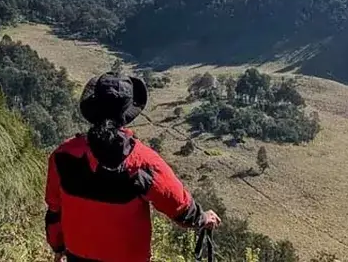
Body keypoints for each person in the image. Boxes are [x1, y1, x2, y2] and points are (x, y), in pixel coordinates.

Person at [45, 72, 221, 262]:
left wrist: (58, 247)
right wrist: (203, 218)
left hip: (77, 256)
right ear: (125, 113)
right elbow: (179, 207)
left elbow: (54, 210)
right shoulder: (144, 163)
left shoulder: (63, 155)